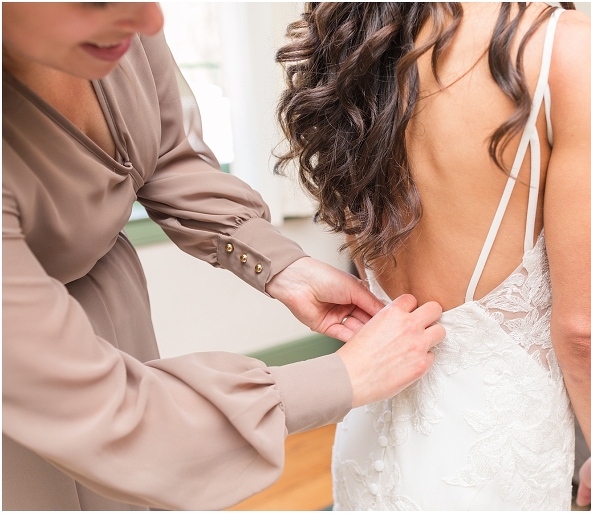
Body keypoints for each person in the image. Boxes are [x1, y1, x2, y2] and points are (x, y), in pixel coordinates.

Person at [1, 3, 446, 510]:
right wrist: (339, 379)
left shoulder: (116, 30)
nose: (150, 23)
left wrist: (283, 267)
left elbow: (166, 155)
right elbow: (112, 414)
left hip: (116, 318)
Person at [276, 2, 591, 510]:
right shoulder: (574, 53)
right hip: (490, 458)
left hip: (371, 429)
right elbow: (587, 331)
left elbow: (363, 247)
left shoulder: (365, 31)